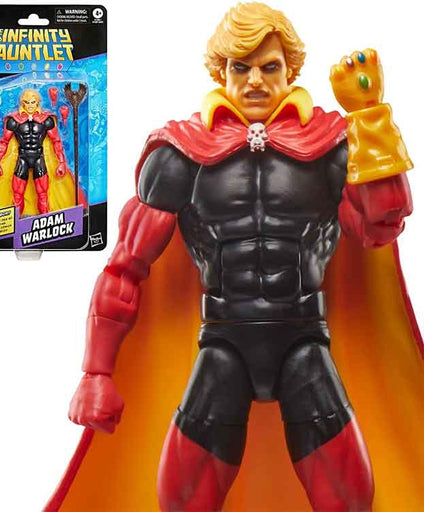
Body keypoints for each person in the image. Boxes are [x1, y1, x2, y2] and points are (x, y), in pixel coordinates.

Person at [48, 3, 422, 511]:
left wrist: (369, 116)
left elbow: (383, 222)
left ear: (290, 70)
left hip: (305, 338)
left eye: (269, 66)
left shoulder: (330, 147)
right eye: (240, 67)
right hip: (223, 340)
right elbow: (126, 266)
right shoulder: (181, 154)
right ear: (219, 72)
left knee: (348, 495)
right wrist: (96, 372)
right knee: (182, 497)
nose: (255, 81)